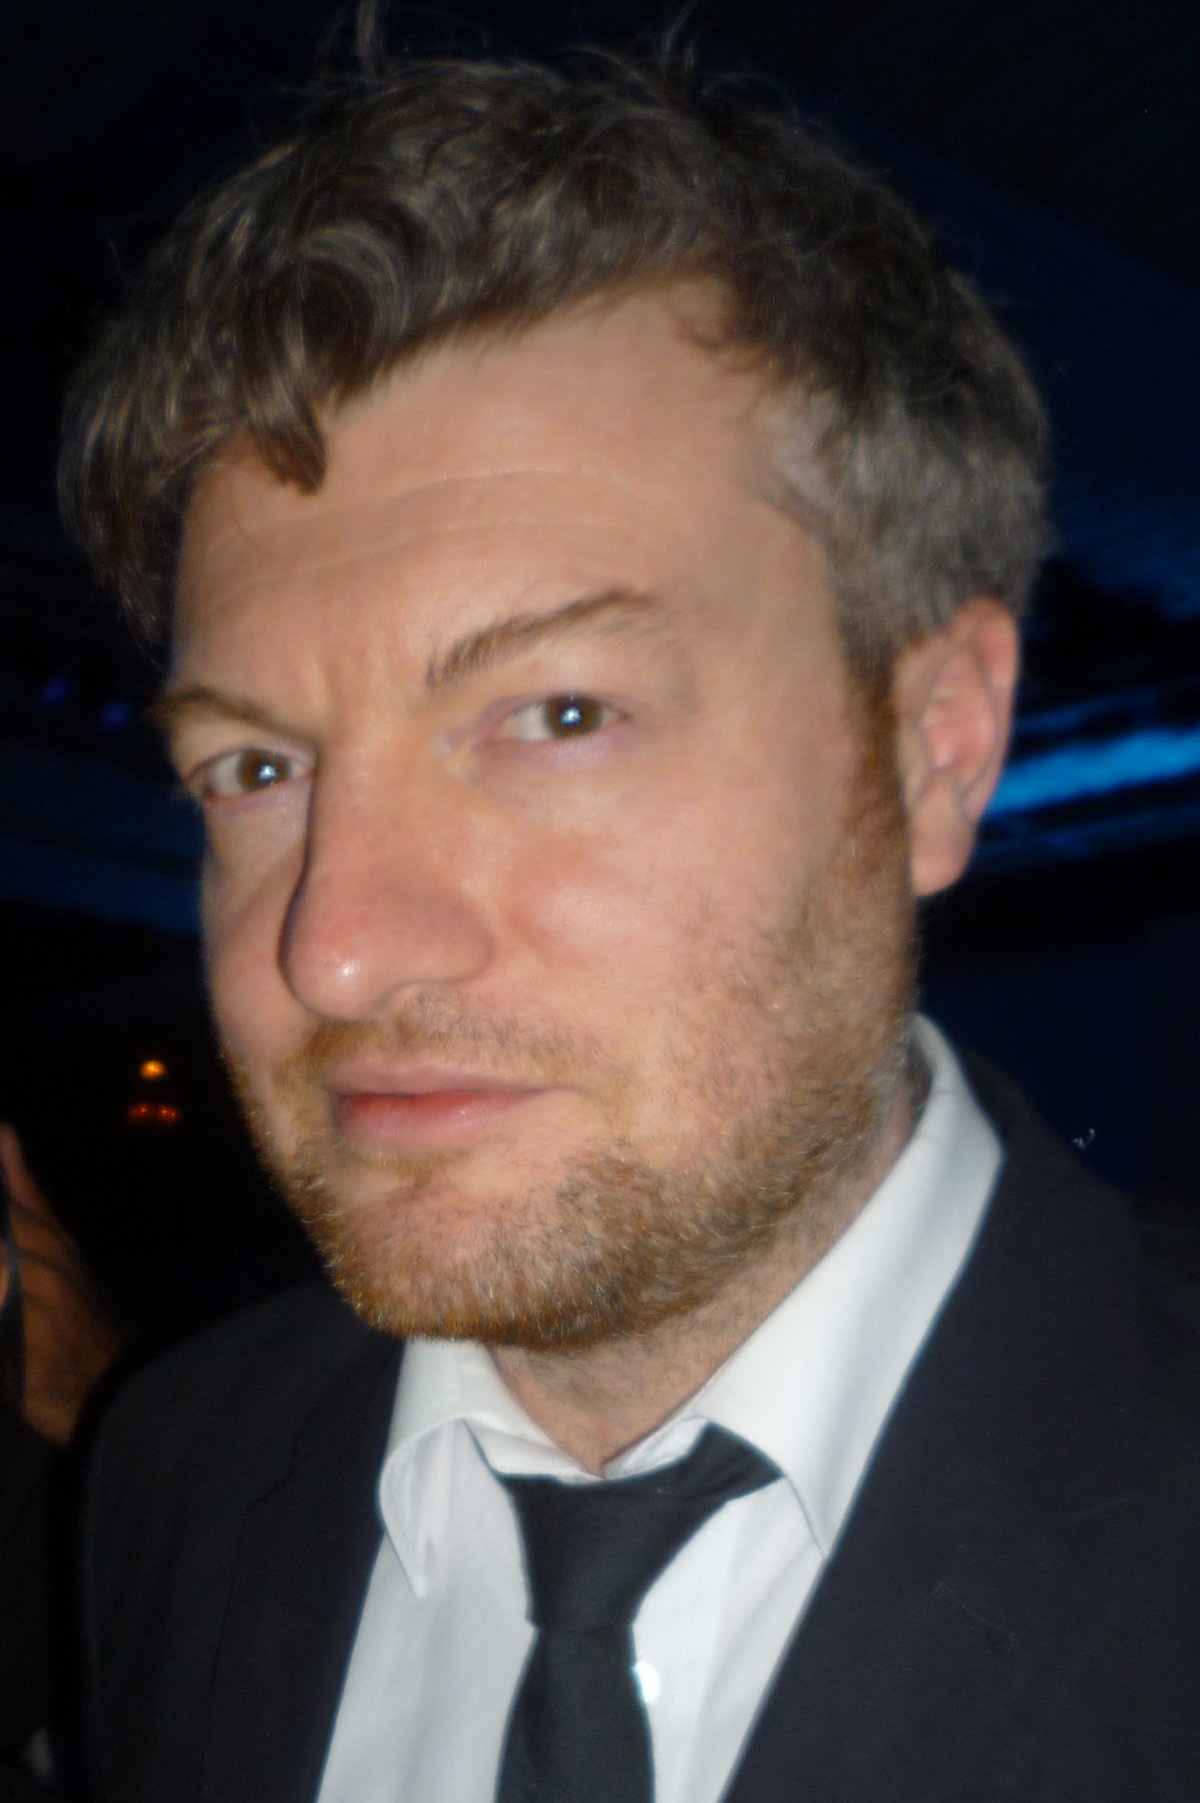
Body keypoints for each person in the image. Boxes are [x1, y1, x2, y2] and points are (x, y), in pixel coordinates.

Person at [59, 34, 1200, 1803]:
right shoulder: (178, 1474)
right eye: (258, 768)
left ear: (934, 747)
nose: (335, 948)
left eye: (559, 714)